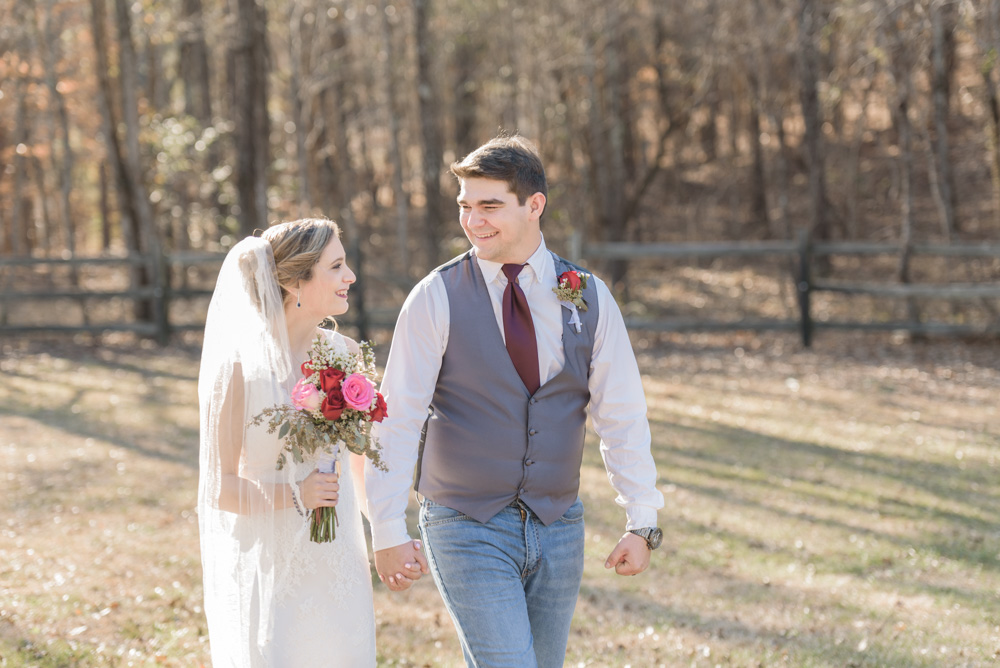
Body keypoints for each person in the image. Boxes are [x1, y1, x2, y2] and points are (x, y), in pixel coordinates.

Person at [365, 135, 665, 667]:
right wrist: (387, 527)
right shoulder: (435, 296)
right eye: (465, 207)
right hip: (464, 523)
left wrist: (642, 520)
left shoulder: (589, 295)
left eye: (489, 206)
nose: (473, 221)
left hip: (558, 525)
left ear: (535, 205)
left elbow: (620, 413)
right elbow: (399, 416)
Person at [196, 218, 419, 667]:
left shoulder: (345, 355)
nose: (350, 276)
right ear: (297, 281)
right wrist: (295, 496)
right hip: (273, 563)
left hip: (338, 558)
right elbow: (219, 488)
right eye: (336, 266)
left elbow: (357, 461)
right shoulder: (240, 370)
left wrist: (387, 535)